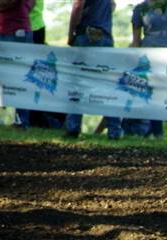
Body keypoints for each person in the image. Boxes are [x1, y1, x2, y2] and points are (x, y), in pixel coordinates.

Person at [130, 0, 167, 139]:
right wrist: (134, 61)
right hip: (150, 59)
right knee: (154, 96)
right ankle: (158, 135)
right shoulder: (140, 9)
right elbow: (136, 41)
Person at [63, 0, 123, 139]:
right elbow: (112, 5)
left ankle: (72, 127)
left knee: (78, 83)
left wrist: (71, 33)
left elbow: (77, 5)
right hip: (106, 36)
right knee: (107, 85)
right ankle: (114, 130)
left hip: (87, 34)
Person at [0, 0, 34, 129]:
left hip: (17, 33)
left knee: (21, 77)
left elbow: (6, 3)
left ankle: (22, 121)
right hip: (1, 31)